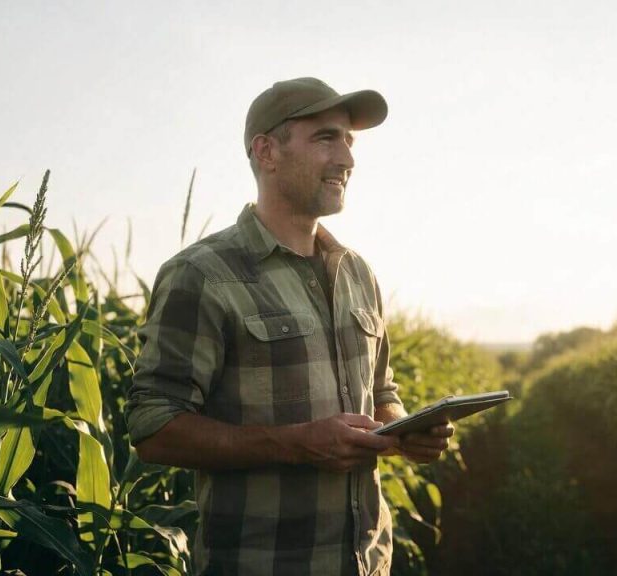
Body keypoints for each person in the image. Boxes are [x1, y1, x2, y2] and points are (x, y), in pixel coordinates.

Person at [125, 77, 454, 576]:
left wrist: (405, 431)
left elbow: (380, 390)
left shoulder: (358, 274)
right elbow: (154, 428)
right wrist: (296, 444)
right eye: (326, 138)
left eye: (349, 141)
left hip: (368, 563)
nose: (346, 158)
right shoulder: (202, 275)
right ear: (266, 152)